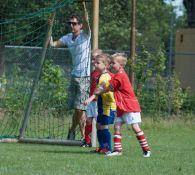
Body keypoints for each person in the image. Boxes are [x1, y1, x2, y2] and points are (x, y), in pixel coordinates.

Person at [49, 14, 91, 140]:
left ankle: (72, 130)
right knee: (77, 108)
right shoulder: (67, 37)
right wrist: (49, 28)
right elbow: (52, 44)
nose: (72, 25)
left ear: (80, 25)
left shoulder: (86, 35)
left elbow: (88, 21)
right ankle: (83, 137)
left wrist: (83, 5)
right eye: (70, 23)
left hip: (85, 76)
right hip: (74, 75)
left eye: (74, 23)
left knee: (80, 108)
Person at [102, 53, 151, 157]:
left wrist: (100, 89)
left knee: (135, 127)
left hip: (129, 106)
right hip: (121, 106)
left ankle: (146, 150)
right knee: (117, 126)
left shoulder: (120, 75)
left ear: (121, 65)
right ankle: (117, 150)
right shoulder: (117, 74)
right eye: (110, 63)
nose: (111, 65)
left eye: (113, 63)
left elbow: (111, 87)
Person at [84, 53, 116, 154]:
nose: (95, 64)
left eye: (98, 63)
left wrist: (91, 98)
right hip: (102, 106)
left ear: (105, 65)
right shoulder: (100, 75)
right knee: (98, 125)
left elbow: (100, 89)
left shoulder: (104, 77)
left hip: (108, 107)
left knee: (103, 126)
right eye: (95, 62)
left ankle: (107, 148)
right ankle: (102, 147)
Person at [81, 49, 102, 147]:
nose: (93, 62)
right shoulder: (93, 72)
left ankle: (102, 143)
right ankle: (87, 141)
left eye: (95, 59)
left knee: (99, 123)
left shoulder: (103, 74)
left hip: (98, 102)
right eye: (92, 59)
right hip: (91, 101)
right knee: (88, 120)